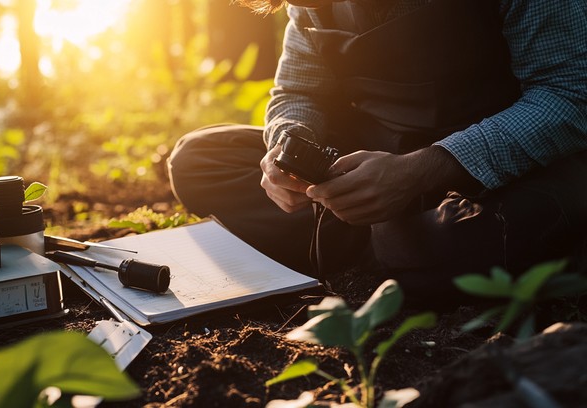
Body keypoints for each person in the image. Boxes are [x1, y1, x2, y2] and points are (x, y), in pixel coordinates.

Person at [167, 0, 587, 305]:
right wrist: (288, 144)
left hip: (496, 173)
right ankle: (392, 241)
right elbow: (298, 90)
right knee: (198, 160)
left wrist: (420, 171)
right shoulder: (308, 4)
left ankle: (379, 242)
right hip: (372, 153)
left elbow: (569, 96)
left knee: (502, 227)